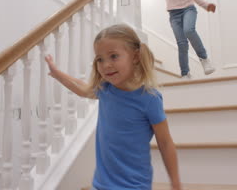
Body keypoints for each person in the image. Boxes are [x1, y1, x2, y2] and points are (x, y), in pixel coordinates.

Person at [45, 24, 182, 190]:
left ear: (135, 56)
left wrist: (175, 183)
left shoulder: (149, 98)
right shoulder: (106, 90)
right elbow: (82, 88)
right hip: (101, 184)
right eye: (100, 59)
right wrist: (57, 73)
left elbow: (165, 143)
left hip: (134, 185)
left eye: (114, 56)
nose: (106, 65)